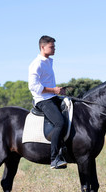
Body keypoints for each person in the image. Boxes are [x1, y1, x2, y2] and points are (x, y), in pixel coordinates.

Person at [28, 35, 67, 169]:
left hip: (52, 97)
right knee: (60, 123)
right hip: (43, 100)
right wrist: (54, 90)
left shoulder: (48, 61)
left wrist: (59, 91)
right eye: (52, 47)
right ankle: (54, 159)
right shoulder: (37, 63)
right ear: (42, 47)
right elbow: (33, 86)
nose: (54, 49)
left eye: (54, 46)